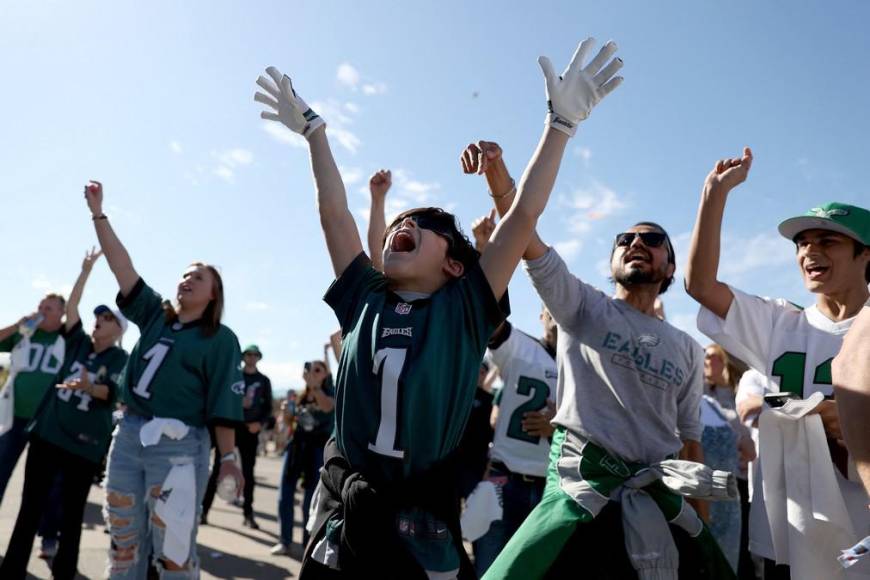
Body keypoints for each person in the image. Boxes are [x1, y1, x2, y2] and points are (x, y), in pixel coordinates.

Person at [255, 34, 580, 573]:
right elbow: (334, 215)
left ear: (455, 265)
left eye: (424, 225)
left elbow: (521, 217)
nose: (404, 225)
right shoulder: (365, 298)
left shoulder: (464, 310)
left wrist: (559, 127)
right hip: (344, 516)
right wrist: (315, 134)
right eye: (401, 221)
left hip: (421, 526)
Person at [685, 147, 870, 578]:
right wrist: (714, 195)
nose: (809, 251)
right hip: (786, 534)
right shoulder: (778, 322)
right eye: (802, 243)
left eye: (828, 240)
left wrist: (853, 421)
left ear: (866, 254)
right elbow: (700, 284)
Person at [83, 180, 245, 578]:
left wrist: (228, 459)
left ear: (213, 295)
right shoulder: (157, 315)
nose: (187, 279)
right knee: (123, 540)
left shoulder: (220, 340)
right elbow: (122, 266)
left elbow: (224, 405)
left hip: (180, 444)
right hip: (129, 435)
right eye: (185, 273)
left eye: (199, 277)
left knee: (173, 548)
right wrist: (98, 214)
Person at [0, 248, 129, 580]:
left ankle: (64, 573)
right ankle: (11, 569)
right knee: (29, 509)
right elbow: (72, 307)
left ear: (119, 330)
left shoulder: (119, 360)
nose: (99, 321)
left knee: (71, 518)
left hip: (83, 449)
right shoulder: (78, 344)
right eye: (98, 316)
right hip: (48, 437)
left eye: (108, 318)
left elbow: (110, 393)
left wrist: (89, 386)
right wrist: (85, 271)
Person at [463, 204, 558, 576]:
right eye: (549, 310)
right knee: (491, 570)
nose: (556, 317)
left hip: (553, 489)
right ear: (541, 316)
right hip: (504, 480)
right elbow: (489, 312)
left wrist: (559, 425)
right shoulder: (521, 347)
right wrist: (486, 250)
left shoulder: (586, 365)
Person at [0, 292, 66, 505]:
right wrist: (16, 326)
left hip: (48, 421)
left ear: (62, 313)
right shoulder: (24, 333)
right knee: (1, 470)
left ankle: (44, 532)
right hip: (14, 417)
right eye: (40, 307)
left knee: (41, 481)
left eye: (48, 309)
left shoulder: (68, 337)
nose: (41, 312)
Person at [202, 344, 273, 529]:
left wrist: (260, 423)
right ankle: (204, 511)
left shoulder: (263, 380)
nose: (251, 358)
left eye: (255, 355)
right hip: (230, 429)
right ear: (243, 357)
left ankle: (248, 513)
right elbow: (223, 399)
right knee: (218, 468)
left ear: (259, 358)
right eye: (248, 354)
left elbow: (268, 408)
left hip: (250, 431)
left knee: (248, 473)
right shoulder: (234, 376)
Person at [271, 359, 335, 555]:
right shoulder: (300, 396)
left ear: (326, 374)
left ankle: (308, 543)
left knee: (310, 498)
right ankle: (285, 540)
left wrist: (315, 387)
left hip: (317, 449)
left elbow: (327, 407)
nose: (313, 373)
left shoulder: (331, 393)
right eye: (309, 369)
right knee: (285, 494)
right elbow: (289, 424)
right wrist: (285, 413)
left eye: (318, 370)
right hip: (297, 447)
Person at [700, 344, 754, 573]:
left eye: (713, 357)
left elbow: (748, 437)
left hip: (739, 478)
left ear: (724, 362)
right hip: (708, 482)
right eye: (705, 357)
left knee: (740, 547)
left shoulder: (737, 394)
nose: (707, 361)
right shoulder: (701, 397)